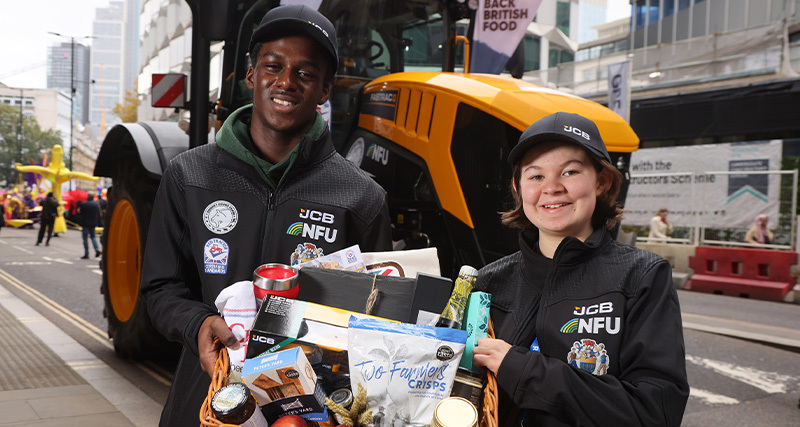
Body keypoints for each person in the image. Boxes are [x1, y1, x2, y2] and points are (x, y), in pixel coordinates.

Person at [139, 5, 392, 425]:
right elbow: (161, 287)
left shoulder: (362, 196)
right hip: (206, 401)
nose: (287, 82)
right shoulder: (190, 175)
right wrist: (198, 323)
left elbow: (376, 316)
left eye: (306, 73)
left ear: (325, 90)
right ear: (251, 74)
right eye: (274, 66)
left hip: (307, 413)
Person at [471, 112, 689, 426]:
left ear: (602, 181)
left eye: (570, 171)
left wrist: (522, 369)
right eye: (535, 176)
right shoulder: (488, 281)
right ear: (518, 189)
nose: (552, 187)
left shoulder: (642, 276)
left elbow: (655, 413)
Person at [77, 193, 102, 259]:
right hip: (93, 223)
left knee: (85, 238)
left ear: (88, 197)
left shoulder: (84, 204)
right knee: (93, 237)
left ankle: (86, 253)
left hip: (85, 223)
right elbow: (98, 214)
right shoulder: (96, 204)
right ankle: (96, 249)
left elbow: (80, 212)